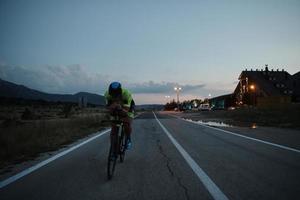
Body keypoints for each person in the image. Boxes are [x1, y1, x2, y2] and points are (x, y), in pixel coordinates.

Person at [104, 82, 134, 150]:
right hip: (115, 107)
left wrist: (120, 108)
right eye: (113, 96)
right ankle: (113, 146)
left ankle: (128, 138)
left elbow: (126, 112)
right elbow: (109, 110)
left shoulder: (126, 94)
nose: (114, 97)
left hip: (128, 107)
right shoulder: (107, 95)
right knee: (114, 128)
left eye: (116, 96)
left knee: (127, 123)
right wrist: (112, 108)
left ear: (120, 93)